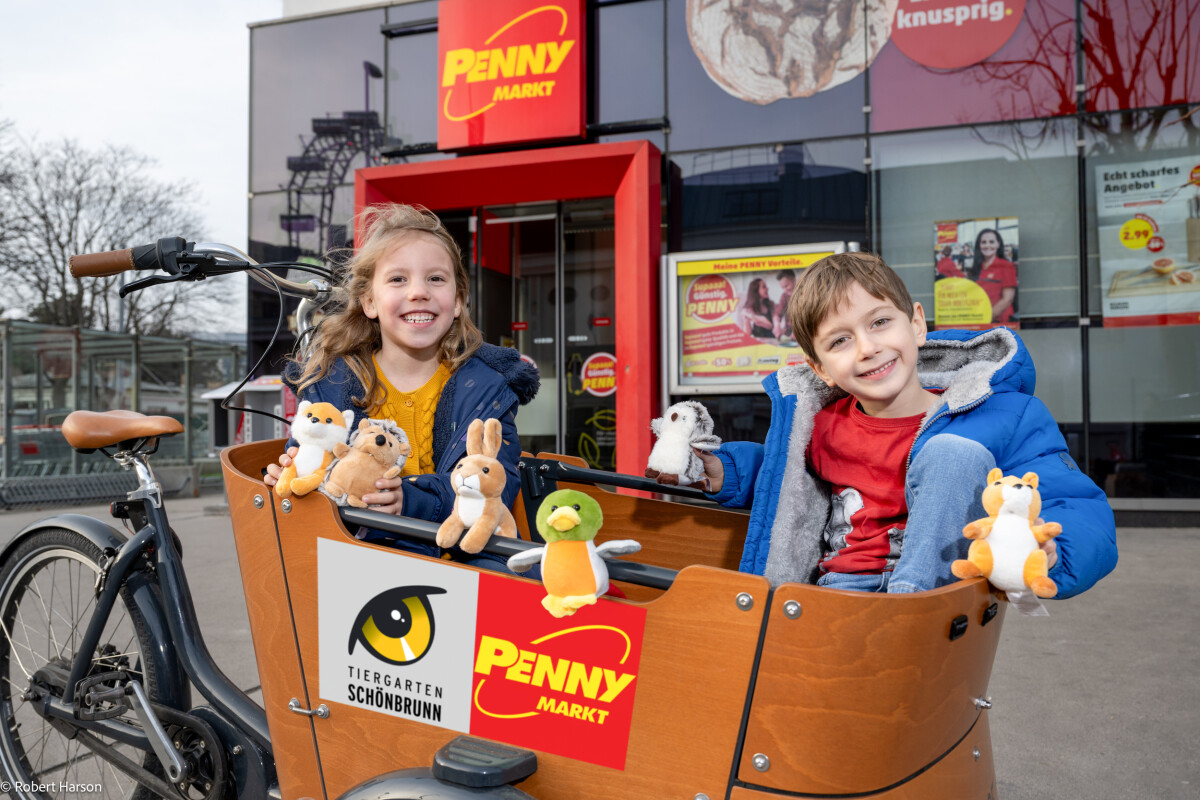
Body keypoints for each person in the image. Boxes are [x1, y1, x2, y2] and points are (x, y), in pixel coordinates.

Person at [684, 252, 1116, 596]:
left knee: (952, 453)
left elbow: (1074, 503)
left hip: (939, 601)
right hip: (841, 590)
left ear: (916, 324)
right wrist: (728, 469)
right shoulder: (823, 427)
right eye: (840, 340)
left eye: (879, 322)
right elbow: (786, 476)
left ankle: (907, 607)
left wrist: (1049, 550)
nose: (868, 347)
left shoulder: (1000, 416)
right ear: (821, 369)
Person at [264, 203, 539, 568]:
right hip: (361, 561)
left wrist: (410, 502)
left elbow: (494, 482)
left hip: (464, 558)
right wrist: (291, 474)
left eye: (436, 279)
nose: (418, 292)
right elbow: (313, 466)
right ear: (369, 301)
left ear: (458, 301)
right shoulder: (329, 385)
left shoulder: (488, 387)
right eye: (398, 279)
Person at [971, 228, 1017, 324]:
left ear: (998, 244)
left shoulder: (1006, 266)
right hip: (980, 320)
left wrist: (986, 318)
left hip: (999, 321)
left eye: (992, 242)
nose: (987, 245)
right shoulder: (978, 267)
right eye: (983, 242)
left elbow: (1008, 299)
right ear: (979, 245)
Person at [773, 269, 796, 338]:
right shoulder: (784, 295)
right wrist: (777, 325)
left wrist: (798, 331)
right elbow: (777, 313)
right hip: (789, 331)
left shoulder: (805, 294)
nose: (785, 290)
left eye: (786, 286)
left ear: (794, 280)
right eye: (782, 287)